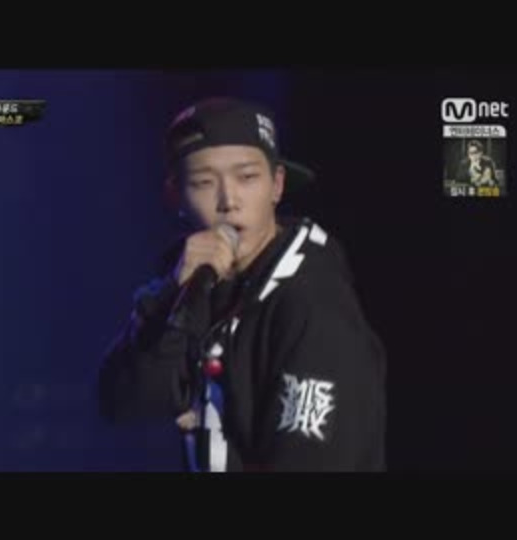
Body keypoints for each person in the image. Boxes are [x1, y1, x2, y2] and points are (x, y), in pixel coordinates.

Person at [97, 97, 386, 472]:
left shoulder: (311, 302)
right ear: (175, 195)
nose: (228, 201)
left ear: (277, 185)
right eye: (203, 182)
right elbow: (122, 404)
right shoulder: (192, 284)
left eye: (247, 177)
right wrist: (171, 297)